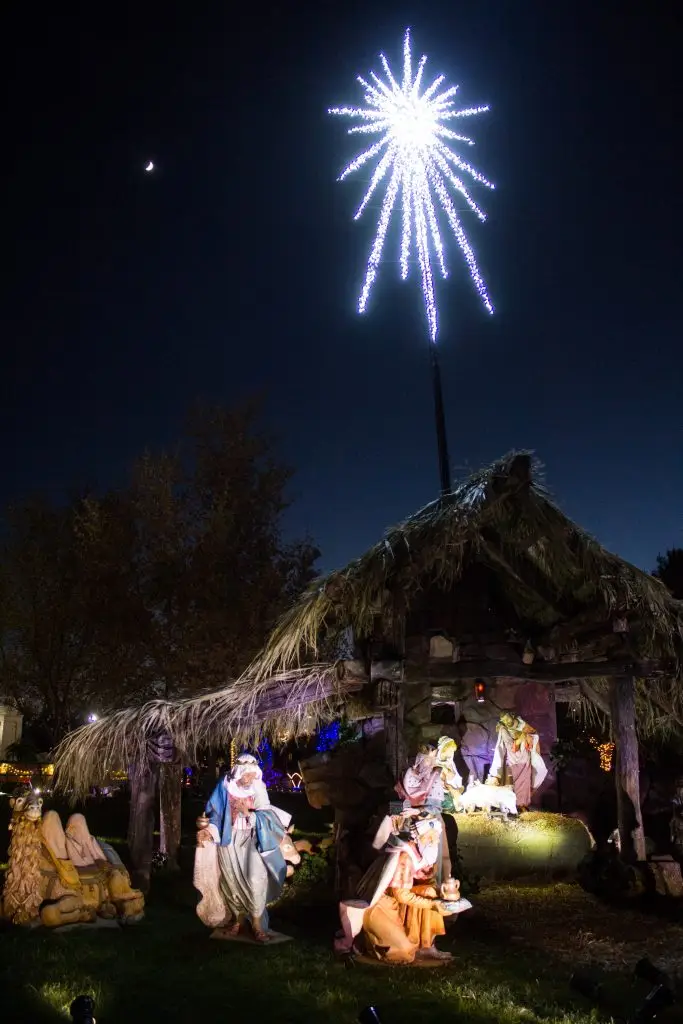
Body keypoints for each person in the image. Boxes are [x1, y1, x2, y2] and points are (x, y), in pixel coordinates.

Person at [337, 810, 471, 964]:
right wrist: (433, 905)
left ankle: (426, 946)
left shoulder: (424, 855)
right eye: (430, 838)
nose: (434, 842)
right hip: (381, 904)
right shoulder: (406, 856)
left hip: (396, 900)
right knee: (403, 954)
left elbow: (436, 871)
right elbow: (401, 894)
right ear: (421, 838)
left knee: (429, 891)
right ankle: (369, 944)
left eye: (435, 838)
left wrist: (445, 889)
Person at [196, 753, 290, 942]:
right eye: (246, 775)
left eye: (252, 774)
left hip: (251, 839)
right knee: (231, 880)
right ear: (238, 773)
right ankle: (237, 920)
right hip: (228, 840)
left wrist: (248, 813)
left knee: (256, 878)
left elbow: (268, 816)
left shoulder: (258, 787)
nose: (250, 778)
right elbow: (215, 815)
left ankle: (257, 924)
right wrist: (209, 831)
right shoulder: (225, 786)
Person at [486, 713, 547, 810]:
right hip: (512, 762)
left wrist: (526, 736)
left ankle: (522, 805)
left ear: (512, 716)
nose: (507, 721)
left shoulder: (522, 725)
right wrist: (520, 739)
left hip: (524, 760)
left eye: (507, 719)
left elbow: (533, 734)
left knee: (524, 784)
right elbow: (508, 746)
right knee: (511, 784)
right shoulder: (503, 730)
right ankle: (510, 806)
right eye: (504, 720)